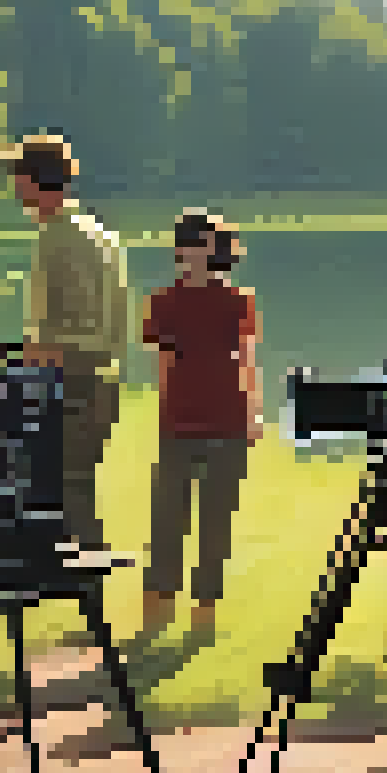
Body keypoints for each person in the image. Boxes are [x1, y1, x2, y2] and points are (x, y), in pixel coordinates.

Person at [0, 133, 130, 551]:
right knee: (76, 487)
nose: (13, 185)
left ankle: (80, 585)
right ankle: (83, 590)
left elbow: (81, 332)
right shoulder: (99, 233)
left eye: (17, 175)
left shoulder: (58, 238)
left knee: (65, 490)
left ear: (34, 180)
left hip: (74, 385)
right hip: (102, 384)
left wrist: (31, 359)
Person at [138, 210, 260, 637]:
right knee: (167, 518)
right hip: (178, 423)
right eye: (183, 243)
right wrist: (164, 413)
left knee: (215, 521)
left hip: (228, 422)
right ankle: (156, 611)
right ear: (177, 250)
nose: (190, 251)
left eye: (199, 243)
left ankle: (203, 615)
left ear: (214, 249)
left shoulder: (237, 299)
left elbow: (247, 360)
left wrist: (254, 414)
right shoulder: (164, 300)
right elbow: (164, 363)